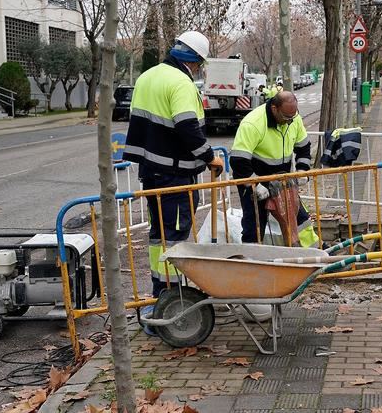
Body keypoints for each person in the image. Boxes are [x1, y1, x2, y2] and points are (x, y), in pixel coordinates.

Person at [123, 30, 224, 302]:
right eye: (199, 65)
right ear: (194, 62)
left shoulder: (147, 76)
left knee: (159, 235)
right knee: (176, 235)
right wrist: (209, 157)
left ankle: (160, 292)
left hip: (151, 173)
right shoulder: (180, 82)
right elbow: (186, 125)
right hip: (175, 175)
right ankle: (173, 296)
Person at [230, 91, 319, 247]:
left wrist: (302, 170)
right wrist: (254, 184)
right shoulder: (253, 123)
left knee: (300, 220)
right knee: (255, 226)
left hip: (283, 181)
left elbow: (304, 147)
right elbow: (238, 161)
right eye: (285, 117)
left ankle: (316, 255)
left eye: (292, 117)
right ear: (274, 108)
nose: (289, 121)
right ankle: (252, 263)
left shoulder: (293, 119)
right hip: (257, 180)